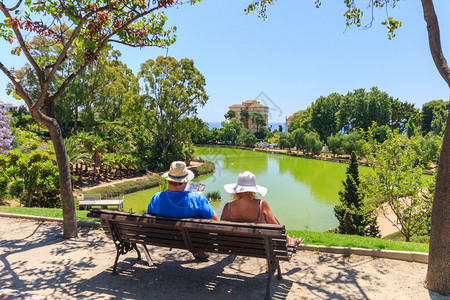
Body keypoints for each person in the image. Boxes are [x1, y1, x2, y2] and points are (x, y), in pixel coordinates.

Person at [147, 161, 218, 261]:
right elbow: (214, 219)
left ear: (168, 180)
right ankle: (199, 250)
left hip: (164, 238)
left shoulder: (156, 198)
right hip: (193, 239)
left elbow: (148, 218)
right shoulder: (197, 198)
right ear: (186, 181)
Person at [221, 171, 303, 246]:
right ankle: (288, 240)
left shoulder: (227, 207)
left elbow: (221, 229)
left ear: (237, 189)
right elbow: (276, 229)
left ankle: (289, 239)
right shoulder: (261, 204)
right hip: (260, 245)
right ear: (253, 190)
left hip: (235, 245)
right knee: (273, 220)